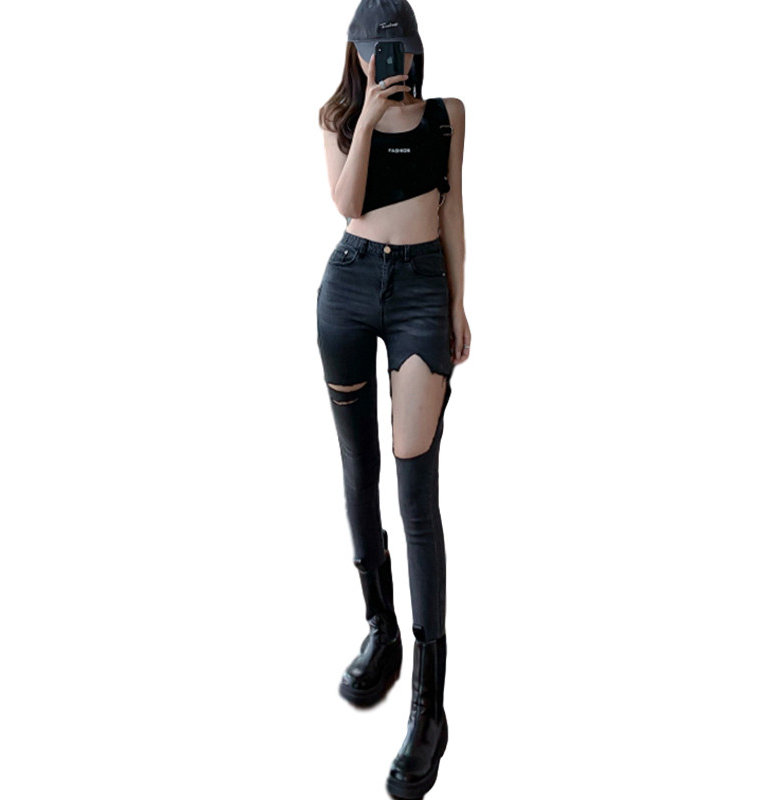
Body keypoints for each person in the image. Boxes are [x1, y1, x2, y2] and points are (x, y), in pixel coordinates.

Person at [316, 1, 470, 797]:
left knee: (417, 496)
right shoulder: (339, 117)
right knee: (358, 470)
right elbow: (347, 204)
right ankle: (381, 629)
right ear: (358, 55)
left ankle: (428, 706)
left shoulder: (448, 116)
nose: (391, 61)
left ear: (415, 47)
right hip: (347, 288)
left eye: (399, 48)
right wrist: (371, 118)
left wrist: (458, 304)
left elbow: (454, 207)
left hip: (419, 295)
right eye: (378, 52)